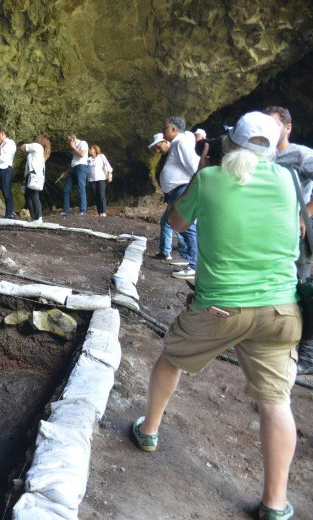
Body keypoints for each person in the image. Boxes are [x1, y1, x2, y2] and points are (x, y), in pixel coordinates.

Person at [132, 111, 299, 520]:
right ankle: (275, 504)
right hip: (281, 308)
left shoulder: (210, 180)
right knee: (277, 401)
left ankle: (148, 430)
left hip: (220, 307)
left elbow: (176, 221)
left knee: (172, 357)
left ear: (230, 144)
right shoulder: (288, 180)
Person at [265, 105, 313, 377]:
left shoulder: (301, 155)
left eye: (274, 125)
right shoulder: (263, 156)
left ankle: (307, 354)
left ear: (287, 128)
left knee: (301, 291)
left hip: (297, 234)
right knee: (276, 285)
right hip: (270, 233)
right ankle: (276, 342)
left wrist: (304, 215)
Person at [159, 116, 199, 279]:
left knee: (186, 226)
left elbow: (193, 166)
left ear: (173, 129)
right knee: (174, 222)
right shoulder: (178, 143)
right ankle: (187, 258)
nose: (163, 132)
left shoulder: (182, 143)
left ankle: (194, 264)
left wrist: (192, 189)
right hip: (176, 190)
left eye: (165, 128)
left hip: (181, 189)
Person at [150, 132, 189, 265]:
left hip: (180, 190)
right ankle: (172, 252)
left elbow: (190, 167)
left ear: (165, 141)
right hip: (173, 192)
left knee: (173, 222)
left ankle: (183, 255)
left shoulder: (178, 149)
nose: (157, 149)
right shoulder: (168, 155)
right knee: (172, 221)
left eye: (158, 146)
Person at [20, 135, 49, 222]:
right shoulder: (42, 151)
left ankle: (38, 217)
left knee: (34, 196)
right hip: (33, 175)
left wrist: (22, 143)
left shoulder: (37, 146)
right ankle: (34, 218)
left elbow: (23, 147)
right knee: (28, 197)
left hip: (34, 175)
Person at [59, 132, 89, 216]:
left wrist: (74, 147)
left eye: (69, 140)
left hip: (82, 167)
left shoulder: (83, 143)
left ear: (73, 138)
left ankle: (83, 211)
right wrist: (66, 172)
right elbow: (74, 162)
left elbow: (82, 154)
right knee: (66, 189)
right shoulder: (74, 148)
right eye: (67, 141)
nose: (68, 142)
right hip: (74, 168)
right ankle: (66, 211)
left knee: (81, 188)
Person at [88, 144, 113, 217]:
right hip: (92, 180)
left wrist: (109, 173)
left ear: (95, 150)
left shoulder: (101, 157)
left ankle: (103, 212)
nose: (90, 150)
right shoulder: (88, 159)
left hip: (101, 178)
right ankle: (99, 212)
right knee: (96, 196)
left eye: (91, 149)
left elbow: (108, 165)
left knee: (101, 195)